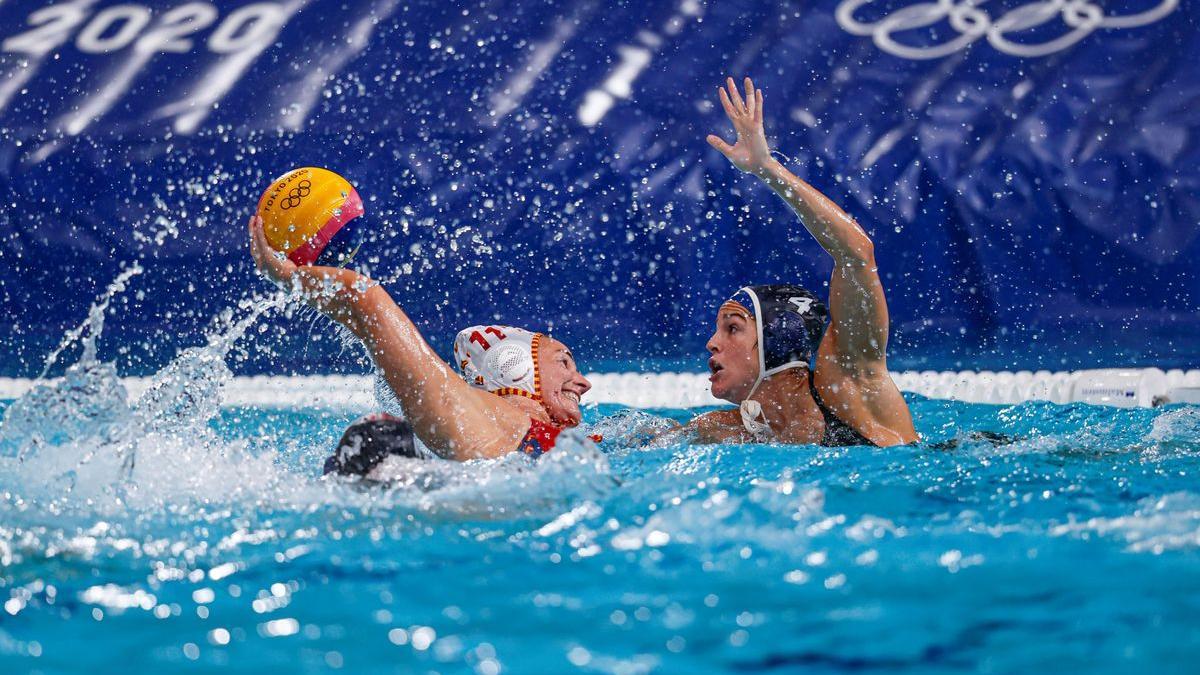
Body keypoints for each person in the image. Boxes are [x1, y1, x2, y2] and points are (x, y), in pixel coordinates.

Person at [684, 77, 918, 447]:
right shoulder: (726, 429)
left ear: (779, 338)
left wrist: (766, 169)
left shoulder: (849, 384)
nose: (712, 343)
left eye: (732, 328)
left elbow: (857, 255)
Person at [247, 215, 592, 461]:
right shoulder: (493, 423)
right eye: (564, 362)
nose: (583, 383)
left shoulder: (555, 438)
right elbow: (365, 298)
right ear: (515, 366)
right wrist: (289, 277)